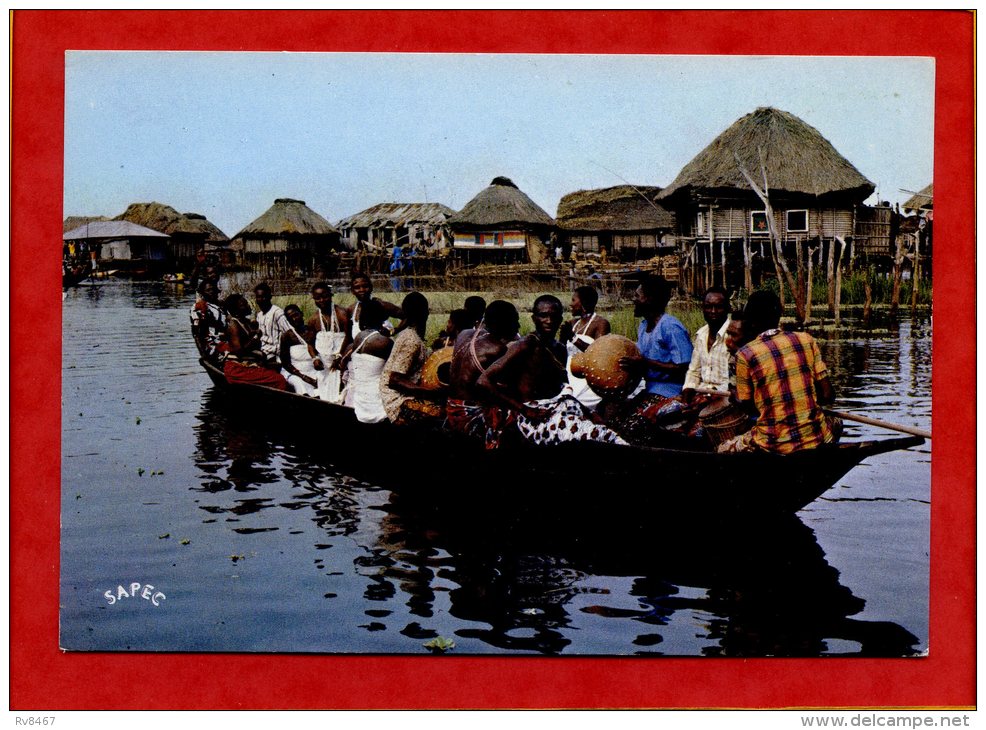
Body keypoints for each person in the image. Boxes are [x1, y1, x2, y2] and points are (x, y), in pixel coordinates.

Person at [477, 295, 626, 447]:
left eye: (554, 316)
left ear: (561, 319)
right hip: (534, 415)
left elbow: (561, 389)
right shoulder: (526, 344)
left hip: (559, 408)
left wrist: (588, 412)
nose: (549, 321)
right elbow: (484, 381)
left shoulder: (560, 349)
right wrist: (525, 410)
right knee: (598, 436)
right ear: (534, 318)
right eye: (543, 316)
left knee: (604, 428)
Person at [718, 290, 839, 454]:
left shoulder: (745, 354)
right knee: (836, 422)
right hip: (815, 438)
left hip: (772, 442)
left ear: (750, 322)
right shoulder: (806, 340)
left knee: (722, 449)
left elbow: (748, 408)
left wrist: (734, 397)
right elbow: (828, 395)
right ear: (779, 314)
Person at [445, 300, 522, 449]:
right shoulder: (496, 349)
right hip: (469, 414)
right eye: (515, 321)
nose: (517, 326)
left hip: (451, 405)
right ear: (503, 324)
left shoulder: (464, 333)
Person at [620, 275, 693, 398]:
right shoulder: (643, 326)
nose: (634, 299)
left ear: (649, 299)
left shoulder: (670, 326)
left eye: (637, 296)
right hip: (650, 388)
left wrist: (645, 363)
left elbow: (684, 368)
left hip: (671, 391)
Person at [380, 292, 445, 425]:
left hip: (403, 393)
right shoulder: (411, 340)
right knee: (442, 414)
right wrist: (429, 392)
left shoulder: (412, 336)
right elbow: (395, 380)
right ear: (427, 312)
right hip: (397, 400)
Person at [338, 298, 392, 423]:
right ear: (382, 318)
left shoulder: (359, 337)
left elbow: (345, 360)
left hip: (361, 396)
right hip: (376, 399)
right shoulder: (384, 342)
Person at [559, 285, 612, 408]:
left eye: (573, 300)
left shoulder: (600, 323)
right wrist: (562, 338)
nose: (570, 304)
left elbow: (598, 353)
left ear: (583, 302)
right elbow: (561, 351)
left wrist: (573, 338)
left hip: (588, 378)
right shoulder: (573, 324)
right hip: (570, 375)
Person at [222, 294, 289, 390]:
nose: (248, 306)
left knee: (279, 368)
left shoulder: (246, 322)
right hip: (238, 368)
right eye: (243, 305)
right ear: (236, 310)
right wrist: (255, 337)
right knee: (279, 380)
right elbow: (239, 352)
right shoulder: (234, 325)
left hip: (251, 364)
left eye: (247, 303)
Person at [680, 286, 731, 404]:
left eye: (718, 307)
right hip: (701, 395)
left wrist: (710, 395)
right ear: (703, 309)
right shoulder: (701, 335)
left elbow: (733, 381)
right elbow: (694, 371)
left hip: (725, 398)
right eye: (708, 307)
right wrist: (687, 391)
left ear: (728, 308)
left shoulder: (733, 335)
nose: (713, 311)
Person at [308, 281, 349, 403]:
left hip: (341, 362)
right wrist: (315, 358)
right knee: (325, 397)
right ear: (314, 299)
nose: (322, 300)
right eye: (318, 298)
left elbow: (348, 338)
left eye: (325, 296)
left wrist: (340, 356)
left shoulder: (341, 314)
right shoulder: (313, 319)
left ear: (331, 295)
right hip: (324, 366)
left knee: (341, 396)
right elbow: (310, 344)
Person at [279, 304, 320, 396]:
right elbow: (285, 363)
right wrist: (303, 376)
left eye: (296, 315)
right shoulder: (287, 336)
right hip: (295, 373)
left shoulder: (312, 332)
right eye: (290, 318)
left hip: (314, 370)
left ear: (301, 314)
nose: (294, 319)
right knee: (300, 384)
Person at [347, 272, 402, 339]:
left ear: (371, 288)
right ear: (352, 291)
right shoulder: (351, 310)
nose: (362, 290)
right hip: (359, 347)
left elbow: (408, 317)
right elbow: (348, 336)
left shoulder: (382, 305)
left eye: (365, 286)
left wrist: (394, 331)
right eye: (357, 287)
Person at [253, 282, 291, 367]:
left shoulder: (277, 313)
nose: (261, 300)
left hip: (274, 353)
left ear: (270, 297)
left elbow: (288, 333)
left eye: (263, 297)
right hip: (262, 351)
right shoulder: (259, 315)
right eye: (258, 297)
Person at [189, 278, 227, 362]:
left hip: (227, 341)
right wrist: (203, 354)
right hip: (213, 346)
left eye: (213, 289)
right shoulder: (200, 307)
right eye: (208, 290)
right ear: (202, 293)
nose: (211, 292)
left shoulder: (222, 305)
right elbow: (196, 333)